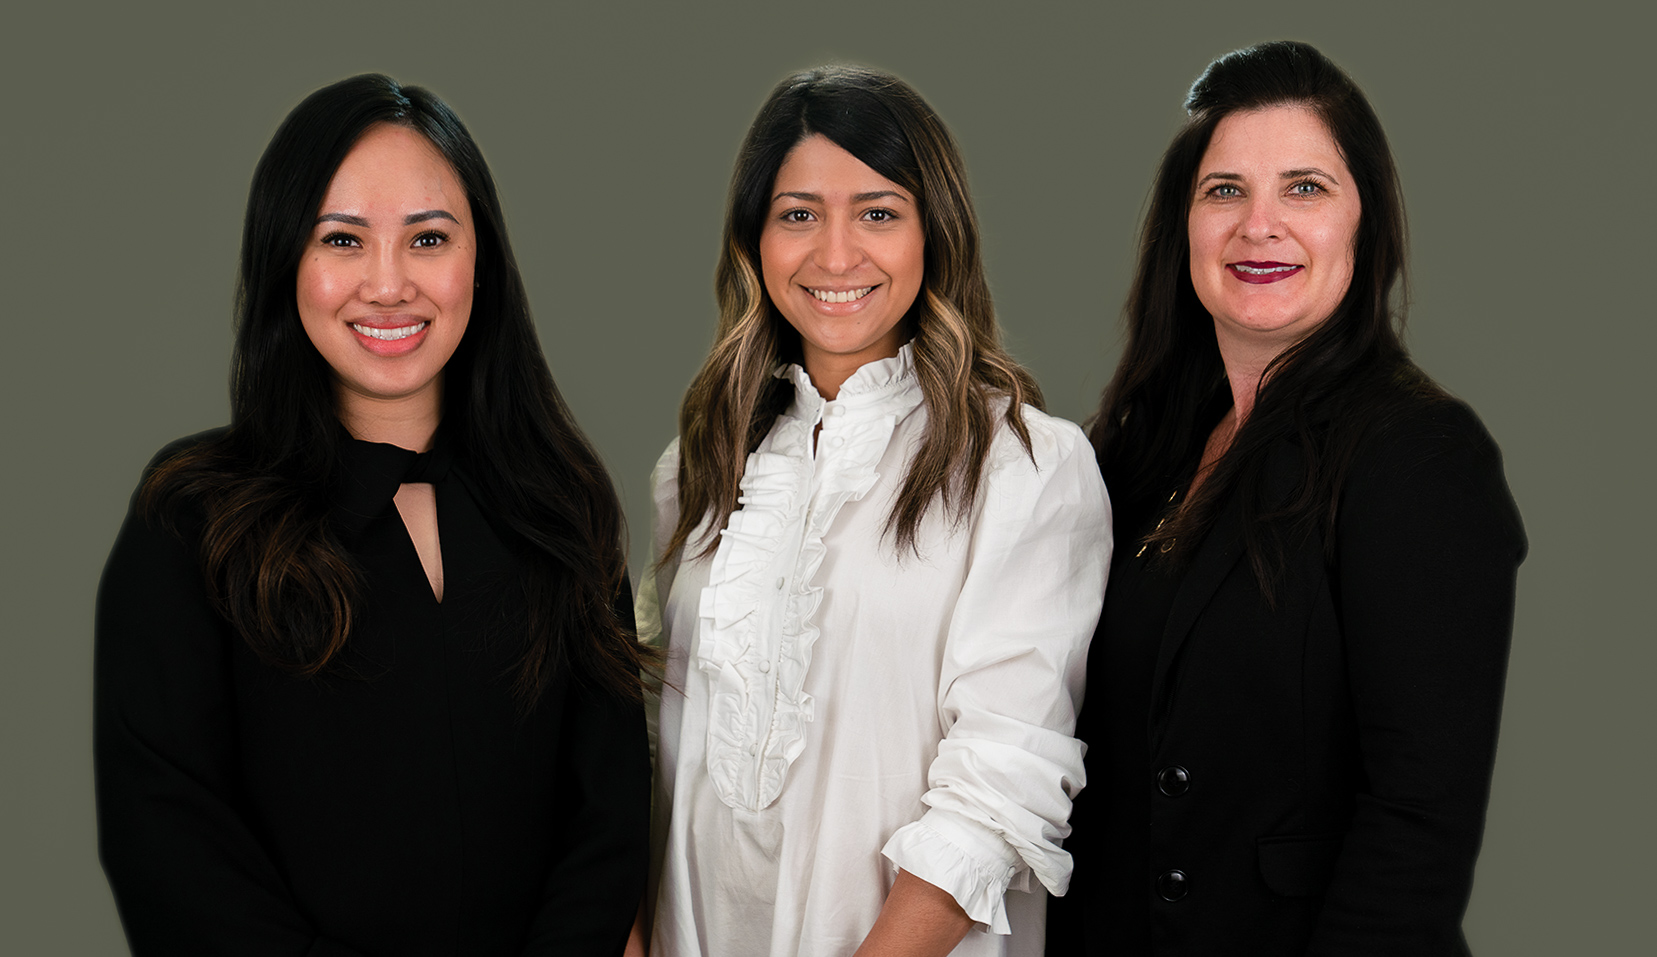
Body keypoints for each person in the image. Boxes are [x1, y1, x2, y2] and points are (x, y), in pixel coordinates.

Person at [94, 74, 650, 956]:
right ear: (285, 261)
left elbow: (608, 819)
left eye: (428, 238)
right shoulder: (192, 518)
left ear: (481, 261)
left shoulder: (560, 506)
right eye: (342, 239)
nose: (388, 285)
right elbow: (169, 844)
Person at [1046, 41, 1526, 954]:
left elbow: (1414, 829)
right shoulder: (1136, 453)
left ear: (1363, 223)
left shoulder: (1418, 454)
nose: (1258, 225)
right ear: (1183, 226)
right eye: (1223, 190)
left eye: (1304, 188)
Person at [635, 66, 1111, 957]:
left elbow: (1001, 788)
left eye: (878, 212)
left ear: (937, 232)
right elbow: (663, 761)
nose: (835, 254)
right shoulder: (697, 465)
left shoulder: (1024, 466)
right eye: (798, 214)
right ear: (754, 238)